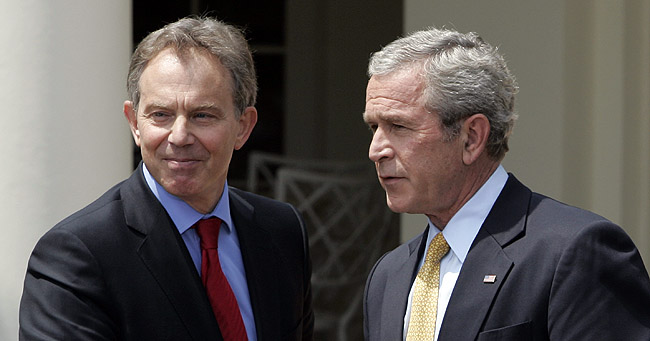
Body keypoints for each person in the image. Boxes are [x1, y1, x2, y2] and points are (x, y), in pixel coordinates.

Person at [20, 17, 313, 340]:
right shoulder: (77, 254)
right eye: (161, 115)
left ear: (243, 126)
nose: (180, 136)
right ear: (134, 123)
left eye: (203, 115)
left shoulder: (282, 231)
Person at [362, 27, 650, 340]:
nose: (376, 150)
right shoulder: (387, 276)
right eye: (374, 127)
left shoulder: (574, 251)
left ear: (471, 138)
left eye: (399, 126)